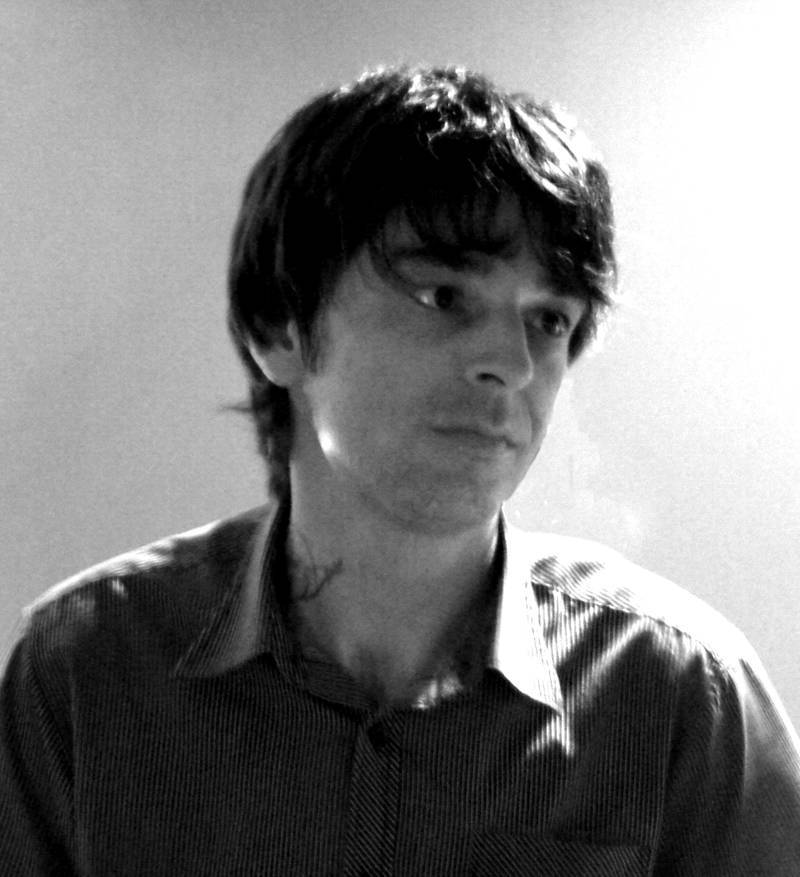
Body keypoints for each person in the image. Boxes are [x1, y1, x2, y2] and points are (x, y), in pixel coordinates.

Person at [2, 64, 799, 876]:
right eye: (443, 296)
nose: (512, 363)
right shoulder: (85, 671)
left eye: (550, 319)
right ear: (279, 326)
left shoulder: (681, 693)